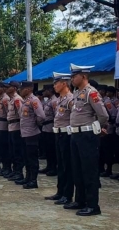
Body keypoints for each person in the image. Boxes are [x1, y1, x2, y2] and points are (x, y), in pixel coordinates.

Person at [68, 64, 109, 216]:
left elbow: (103, 115)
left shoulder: (91, 93)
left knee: (89, 171)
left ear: (83, 76)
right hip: (76, 135)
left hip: (87, 136)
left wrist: (96, 128)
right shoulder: (77, 93)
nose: (72, 79)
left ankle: (93, 205)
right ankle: (80, 200)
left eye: (74, 76)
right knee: (77, 169)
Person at [45, 72, 77, 206]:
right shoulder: (59, 100)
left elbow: (74, 118)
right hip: (57, 134)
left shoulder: (71, 99)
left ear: (64, 83)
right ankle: (60, 192)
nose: (54, 86)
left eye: (56, 83)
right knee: (60, 165)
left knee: (67, 166)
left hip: (66, 135)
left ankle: (67, 194)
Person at [18, 81, 46, 189]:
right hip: (24, 133)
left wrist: (35, 124)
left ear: (29, 89)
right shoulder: (26, 101)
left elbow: (41, 116)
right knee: (26, 157)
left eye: (22, 88)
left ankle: (33, 180)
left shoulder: (34, 100)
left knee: (32, 158)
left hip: (32, 133)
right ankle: (28, 177)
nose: (20, 91)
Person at [6, 81, 24, 181]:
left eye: (10, 87)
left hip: (17, 128)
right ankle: (14, 171)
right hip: (11, 127)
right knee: (12, 151)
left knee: (17, 152)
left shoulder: (17, 99)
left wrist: (22, 130)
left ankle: (19, 172)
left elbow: (21, 115)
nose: (7, 88)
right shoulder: (11, 99)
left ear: (15, 88)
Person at [0, 82, 11, 176]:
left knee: (5, 148)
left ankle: (7, 167)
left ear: (3, 88)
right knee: (0, 148)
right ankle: (4, 167)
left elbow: (8, 113)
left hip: (4, 126)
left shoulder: (6, 99)